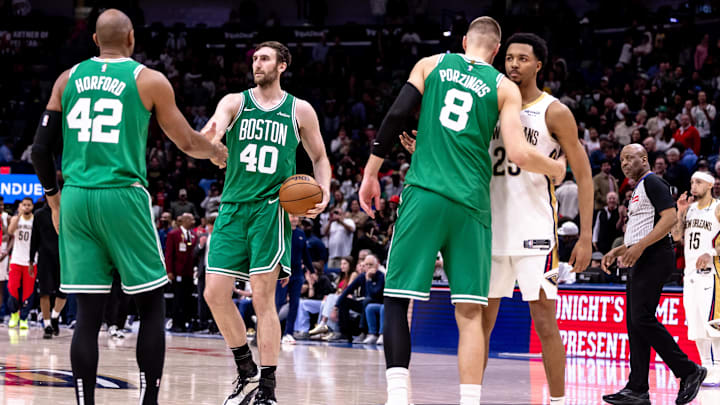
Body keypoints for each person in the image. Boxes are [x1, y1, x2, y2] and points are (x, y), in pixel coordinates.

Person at [359, 17, 565, 405]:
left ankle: (399, 396)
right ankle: (469, 401)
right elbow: (519, 153)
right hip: (472, 204)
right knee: (471, 313)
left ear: (466, 40)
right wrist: (555, 167)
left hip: (425, 193)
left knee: (398, 299)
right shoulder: (505, 88)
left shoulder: (431, 64)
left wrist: (371, 173)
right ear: (497, 52)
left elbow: (395, 116)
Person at [30, 9, 228, 405]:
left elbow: (39, 151)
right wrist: (216, 151)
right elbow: (187, 143)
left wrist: (54, 200)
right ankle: (149, 402)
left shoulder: (67, 80)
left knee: (87, 315)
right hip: (122, 192)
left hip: (76, 198)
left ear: (95, 41)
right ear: (132, 39)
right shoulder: (148, 79)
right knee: (152, 303)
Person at [201, 41, 331, 405]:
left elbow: (319, 156)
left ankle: (268, 389)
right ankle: (246, 370)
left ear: (282, 65)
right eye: (255, 59)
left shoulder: (299, 110)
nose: (257, 64)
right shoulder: (234, 101)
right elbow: (214, 128)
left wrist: (326, 191)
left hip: (271, 210)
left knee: (262, 299)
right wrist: (211, 144)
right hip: (231, 207)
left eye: (264, 58)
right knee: (214, 293)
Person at [485, 33, 594, 405]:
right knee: (480, 327)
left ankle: (560, 402)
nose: (514, 64)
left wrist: (585, 236)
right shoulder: (489, 107)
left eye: (522, 58)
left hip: (535, 235)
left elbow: (583, 174)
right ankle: (471, 397)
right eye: (509, 58)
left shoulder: (553, 111)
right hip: (491, 231)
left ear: (538, 65)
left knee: (546, 324)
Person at [601, 144, 705, 405]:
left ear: (644, 159)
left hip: (655, 256)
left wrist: (639, 247)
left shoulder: (653, 182)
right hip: (641, 255)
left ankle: (688, 370)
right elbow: (641, 231)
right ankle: (637, 388)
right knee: (635, 324)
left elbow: (669, 219)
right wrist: (619, 250)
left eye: (629, 158)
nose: (624, 163)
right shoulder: (637, 189)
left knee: (642, 318)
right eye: (622, 159)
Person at [671, 171, 720, 385]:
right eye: (691, 181)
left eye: (698, 182)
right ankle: (705, 366)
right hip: (689, 274)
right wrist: (680, 212)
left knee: (714, 323)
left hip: (712, 273)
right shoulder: (689, 210)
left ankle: (718, 366)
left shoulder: (717, 208)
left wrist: (711, 253)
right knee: (697, 325)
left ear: (710, 185)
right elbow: (676, 236)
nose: (693, 185)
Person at [29, 199, 66, 339]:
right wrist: (31, 260)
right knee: (44, 292)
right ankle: (47, 325)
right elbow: (34, 238)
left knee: (63, 291)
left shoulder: (66, 212)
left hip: (63, 257)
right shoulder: (39, 214)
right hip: (44, 258)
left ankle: (55, 316)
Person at [276, 214, 315, 344]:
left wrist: (312, 271)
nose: (294, 219)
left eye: (296, 216)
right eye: (292, 216)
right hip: (282, 273)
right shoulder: (280, 232)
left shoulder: (301, 234)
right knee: (278, 302)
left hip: (297, 274)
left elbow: (306, 254)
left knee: (294, 304)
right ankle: (271, 330)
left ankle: (288, 333)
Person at [3, 197, 37, 330]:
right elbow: (10, 231)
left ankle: (24, 318)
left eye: (29, 205)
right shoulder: (16, 219)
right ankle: (14, 315)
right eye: (24, 205)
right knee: (12, 287)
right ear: (20, 206)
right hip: (16, 259)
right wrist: (18, 215)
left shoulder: (36, 220)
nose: (26, 207)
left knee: (28, 291)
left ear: (32, 207)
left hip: (30, 261)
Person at [165, 213, 198, 332]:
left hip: (189, 273)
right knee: (178, 298)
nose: (193, 221)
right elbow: (169, 254)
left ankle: (185, 323)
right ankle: (176, 323)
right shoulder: (173, 234)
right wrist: (169, 271)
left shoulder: (194, 235)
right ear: (185, 220)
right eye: (191, 219)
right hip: (177, 272)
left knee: (187, 299)